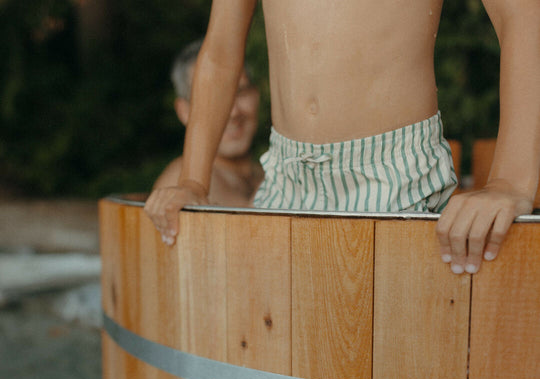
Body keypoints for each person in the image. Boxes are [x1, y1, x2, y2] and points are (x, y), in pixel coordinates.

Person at [145, 0, 540, 275]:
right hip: (288, 173)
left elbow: (523, 14)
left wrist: (510, 181)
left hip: (393, 173)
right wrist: (193, 181)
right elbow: (220, 49)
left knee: (398, 365)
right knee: (265, 356)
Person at [153, 39, 263, 214]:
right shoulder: (179, 184)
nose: (233, 112)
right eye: (213, 99)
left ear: (256, 95)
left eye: (240, 92)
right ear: (184, 111)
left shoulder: (267, 174)